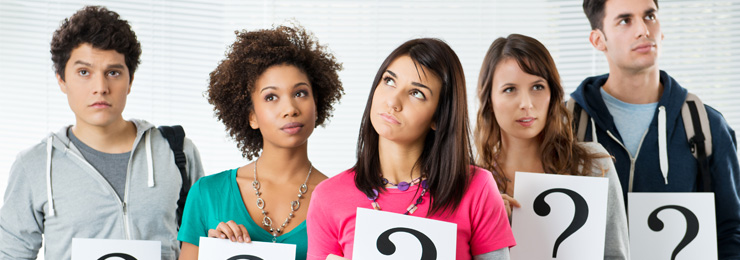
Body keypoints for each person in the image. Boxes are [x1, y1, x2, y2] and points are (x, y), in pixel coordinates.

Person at [0, 6, 205, 260]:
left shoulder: (177, 152)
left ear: (130, 81)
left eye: (113, 73)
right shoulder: (33, 166)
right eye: (84, 72)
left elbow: (201, 244)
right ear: (61, 79)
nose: (100, 87)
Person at [306, 38, 516, 260]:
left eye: (416, 93)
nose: (393, 102)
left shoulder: (477, 188)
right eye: (389, 81)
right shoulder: (328, 197)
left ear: (438, 117)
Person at [572, 0, 740, 257]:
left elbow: (731, 231)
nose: (643, 30)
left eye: (649, 16)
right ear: (598, 40)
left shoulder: (708, 126)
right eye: (625, 20)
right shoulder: (564, 124)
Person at [177, 24, 344, 260]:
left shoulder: (340, 200)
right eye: (271, 97)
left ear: (316, 105)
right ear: (252, 116)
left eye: (300, 93)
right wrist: (214, 254)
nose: (290, 109)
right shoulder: (207, 194)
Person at [475, 34, 629, 259]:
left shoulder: (594, 165)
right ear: (489, 99)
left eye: (537, 87)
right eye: (510, 89)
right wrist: (494, 227)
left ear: (552, 94)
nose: (526, 104)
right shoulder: (474, 184)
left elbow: (615, 255)